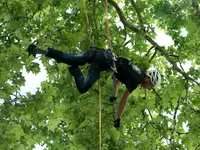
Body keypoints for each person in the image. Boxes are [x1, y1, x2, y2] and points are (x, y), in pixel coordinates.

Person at [27, 44, 161, 128]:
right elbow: (124, 100)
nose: (148, 89)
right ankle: (73, 68)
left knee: (71, 58)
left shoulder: (135, 71)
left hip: (99, 55)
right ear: (149, 79)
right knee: (82, 87)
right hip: (101, 63)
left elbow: (117, 80)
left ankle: (41, 51)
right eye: (151, 87)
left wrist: (113, 96)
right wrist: (118, 119)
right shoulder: (137, 80)